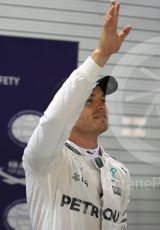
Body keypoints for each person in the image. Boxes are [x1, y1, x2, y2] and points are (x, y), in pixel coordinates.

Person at [22, 1, 132, 229]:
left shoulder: (119, 172)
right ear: (69, 112)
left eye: (102, 99)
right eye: (89, 100)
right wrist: (101, 54)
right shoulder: (45, 159)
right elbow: (53, 120)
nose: (100, 105)